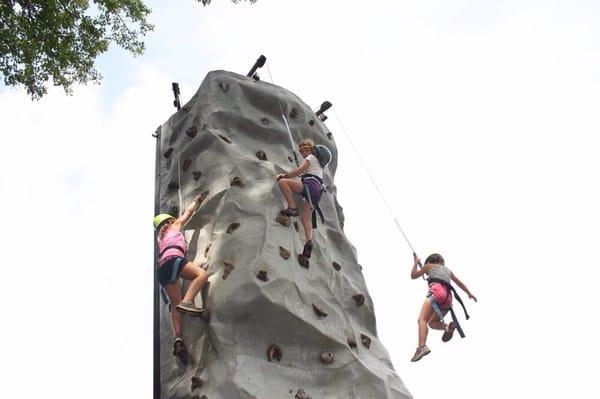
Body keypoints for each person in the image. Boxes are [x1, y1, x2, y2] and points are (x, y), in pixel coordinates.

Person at [153, 195, 209, 362]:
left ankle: (178, 337)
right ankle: (188, 300)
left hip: (162, 269)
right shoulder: (175, 226)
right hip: (174, 260)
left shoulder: (159, 238)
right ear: (169, 222)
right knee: (202, 275)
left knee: (175, 305)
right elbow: (188, 213)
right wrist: (197, 201)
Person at [410, 253, 477, 362]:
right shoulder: (448, 271)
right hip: (448, 300)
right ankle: (447, 327)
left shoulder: (429, 266)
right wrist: (469, 293)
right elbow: (460, 284)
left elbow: (413, 276)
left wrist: (416, 263)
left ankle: (421, 347)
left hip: (437, 293)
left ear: (430, 262)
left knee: (421, 320)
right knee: (431, 323)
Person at [276, 139, 324, 258]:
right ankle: (308, 242)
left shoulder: (311, 158)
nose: (304, 153)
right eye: (302, 151)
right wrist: (302, 174)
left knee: (283, 182)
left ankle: (292, 208)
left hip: (310, 186)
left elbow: (299, 170)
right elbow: (305, 172)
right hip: (317, 192)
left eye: (307, 150)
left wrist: (286, 175)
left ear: (312, 150)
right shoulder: (318, 165)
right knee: (305, 219)